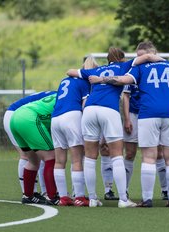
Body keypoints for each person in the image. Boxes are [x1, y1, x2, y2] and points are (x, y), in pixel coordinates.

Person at [89, 41, 169, 207]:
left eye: (140, 56)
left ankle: (147, 199)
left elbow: (122, 80)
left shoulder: (139, 68)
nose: (138, 59)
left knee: (148, 157)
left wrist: (102, 79)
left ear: (149, 54)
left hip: (148, 114)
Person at [67, 47, 163, 208]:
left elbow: (70, 71)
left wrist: (90, 76)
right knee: (117, 156)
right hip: (108, 110)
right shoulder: (123, 66)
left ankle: (92, 199)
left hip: (89, 110)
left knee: (90, 157)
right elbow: (146, 57)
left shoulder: (97, 69)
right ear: (122, 59)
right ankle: (123, 199)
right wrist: (163, 62)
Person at [51, 56, 98, 206]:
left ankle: (63, 197)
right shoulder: (85, 82)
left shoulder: (64, 80)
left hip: (55, 118)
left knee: (59, 161)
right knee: (77, 159)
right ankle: (79, 196)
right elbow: (84, 105)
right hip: (71, 116)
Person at [3, 90, 56, 198]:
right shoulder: (63, 97)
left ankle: (32, 193)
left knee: (38, 155)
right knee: (27, 156)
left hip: (18, 114)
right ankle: (31, 193)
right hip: (19, 114)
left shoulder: (57, 93)